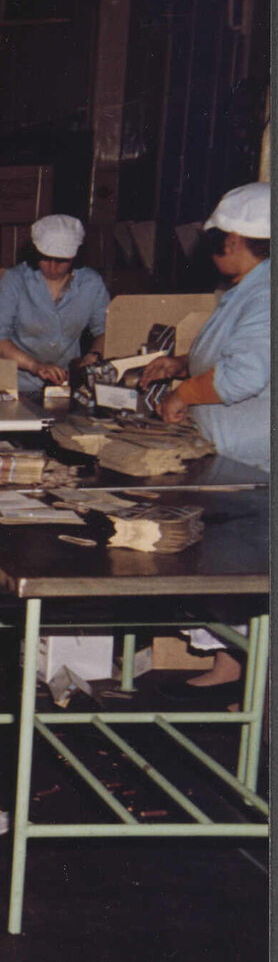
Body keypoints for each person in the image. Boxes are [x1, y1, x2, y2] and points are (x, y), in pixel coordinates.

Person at [138, 181, 270, 693]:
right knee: (224, 564)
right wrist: (181, 363)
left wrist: (184, 393)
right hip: (233, 454)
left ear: (234, 240)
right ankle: (230, 663)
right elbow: (230, 354)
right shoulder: (249, 287)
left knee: (241, 568)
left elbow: (244, 377)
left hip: (252, 459)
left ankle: (255, 690)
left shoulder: (264, 291)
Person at [0, 215, 110, 396]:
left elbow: (107, 330)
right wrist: (35, 366)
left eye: (62, 261)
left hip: (65, 386)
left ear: (75, 257)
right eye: (45, 258)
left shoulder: (92, 283)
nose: (52, 267)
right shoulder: (14, 280)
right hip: (15, 384)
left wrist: (93, 356)